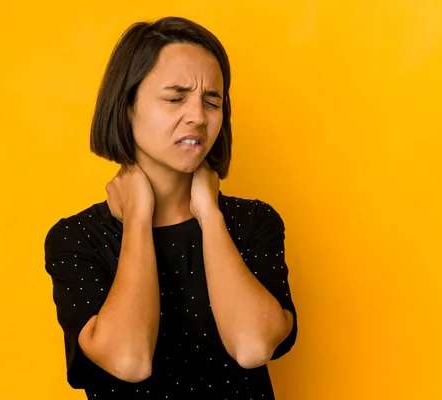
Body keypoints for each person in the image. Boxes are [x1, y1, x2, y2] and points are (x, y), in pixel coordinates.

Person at [44, 16, 297, 400]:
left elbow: (252, 347)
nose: (198, 116)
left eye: (212, 100)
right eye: (176, 97)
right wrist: (138, 219)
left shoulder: (253, 222)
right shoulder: (77, 239)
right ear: (127, 106)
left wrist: (209, 215)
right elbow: (130, 361)